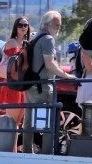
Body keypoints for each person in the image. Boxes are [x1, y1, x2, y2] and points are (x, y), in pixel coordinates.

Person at [22, 11, 77, 155]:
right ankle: (46, 153)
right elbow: (50, 64)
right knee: (46, 123)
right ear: (47, 24)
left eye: (60, 25)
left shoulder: (35, 37)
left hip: (31, 85)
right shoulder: (48, 39)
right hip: (43, 87)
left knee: (28, 122)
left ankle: (27, 152)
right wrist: (67, 76)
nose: (58, 27)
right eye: (56, 24)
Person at [0, 17, 30, 129]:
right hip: (13, 85)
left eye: (25, 25)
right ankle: (9, 147)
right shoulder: (11, 42)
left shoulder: (27, 44)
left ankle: (14, 147)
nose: (23, 27)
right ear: (16, 27)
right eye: (20, 25)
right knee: (10, 123)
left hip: (24, 86)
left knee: (17, 124)